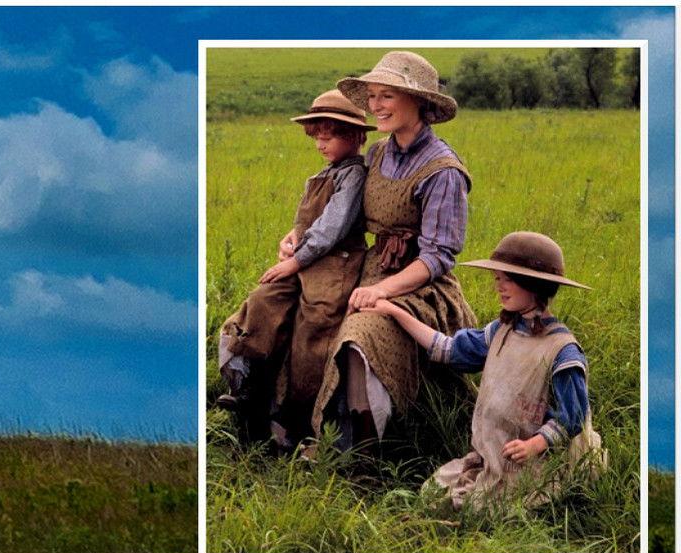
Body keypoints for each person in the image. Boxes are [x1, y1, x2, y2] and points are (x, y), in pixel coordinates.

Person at [306, 51, 477, 447]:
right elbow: (345, 214)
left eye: (387, 96)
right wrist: (297, 237)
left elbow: (437, 257)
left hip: (419, 286)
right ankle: (286, 418)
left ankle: (359, 450)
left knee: (360, 332)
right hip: (369, 268)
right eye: (372, 96)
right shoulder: (378, 152)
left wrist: (382, 291)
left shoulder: (443, 171)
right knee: (307, 305)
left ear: (418, 101)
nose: (375, 106)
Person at [362, 231, 605, 510]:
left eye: (509, 280)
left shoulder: (562, 350)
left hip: (536, 462)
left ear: (534, 284)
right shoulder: (501, 332)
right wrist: (395, 312)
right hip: (493, 454)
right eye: (498, 279)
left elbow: (572, 416)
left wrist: (535, 444)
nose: (499, 287)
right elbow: (449, 350)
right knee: (432, 493)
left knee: (479, 510)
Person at [217, 89, 374, 444]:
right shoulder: (323, 173)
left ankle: (305, 420)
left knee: (315, 328)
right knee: (261, 303)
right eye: (317, 136)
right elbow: (308, 223)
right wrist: (290, 239)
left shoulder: (354, 176)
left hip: (336, 263)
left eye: (329, 136)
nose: (321, 144)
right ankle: (250, 389)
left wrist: (296, 260)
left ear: (354, 136)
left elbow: (333, 226)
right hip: (305, 257)